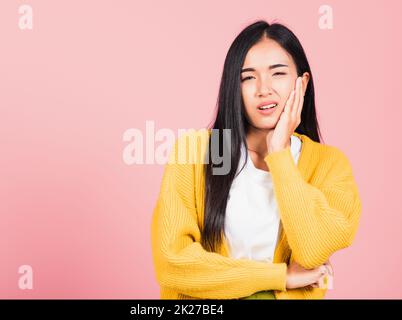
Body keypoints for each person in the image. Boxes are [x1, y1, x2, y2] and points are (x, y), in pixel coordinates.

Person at [150, 20, 361, 299]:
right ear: (233, 88)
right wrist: (279, 277)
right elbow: (172, 263)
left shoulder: (329, 164)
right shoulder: (196, 151)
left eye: (278, 74)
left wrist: (280, 155)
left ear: (303, 82)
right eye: (248, 77)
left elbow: (312, 249)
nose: (264, 89)